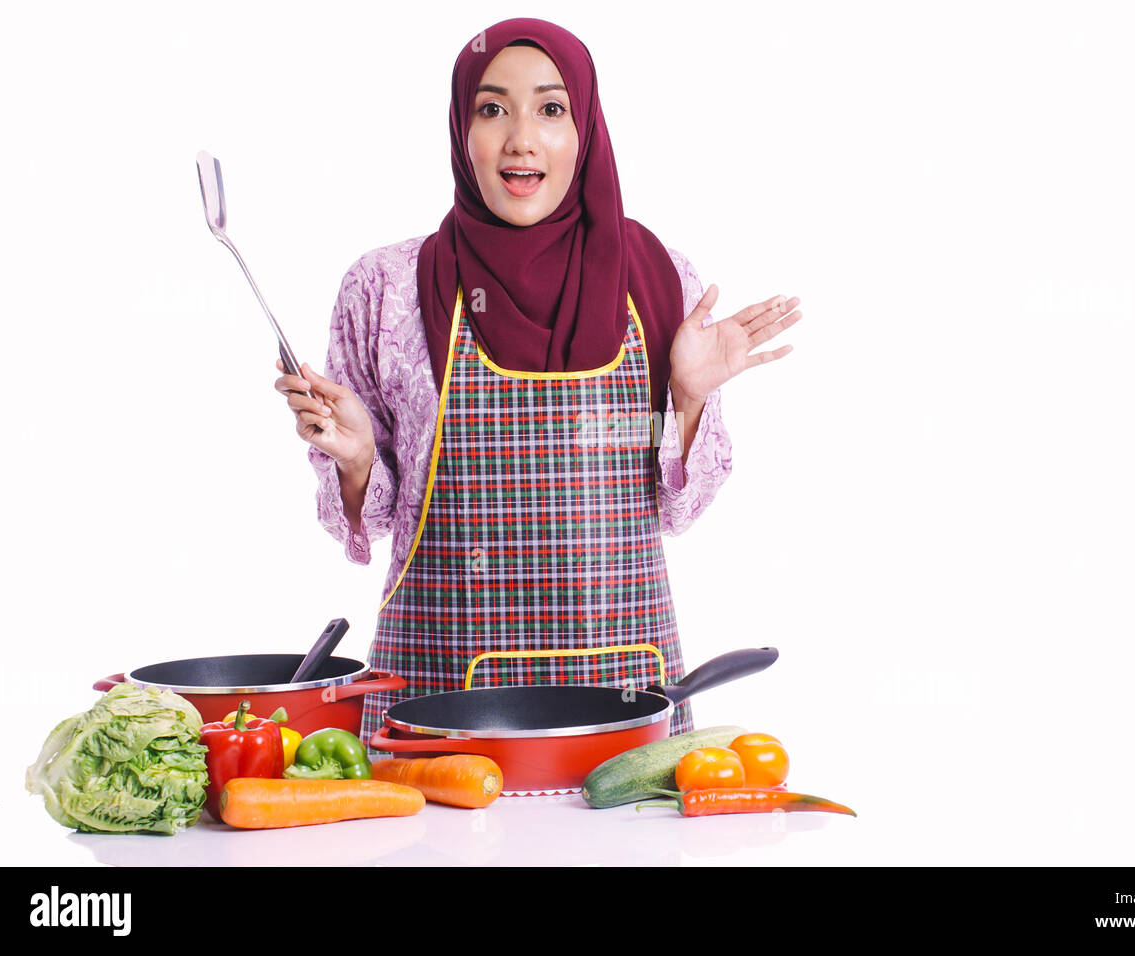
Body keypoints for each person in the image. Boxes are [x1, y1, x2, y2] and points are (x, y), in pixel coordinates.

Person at [274, 18, 802, 748]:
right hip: (439, 698)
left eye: (551, 109)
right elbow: (371, 524)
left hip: (624, 695)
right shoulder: (387, 288)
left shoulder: (655, 279)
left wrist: (686, 398)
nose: (521, 138)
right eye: (493, 109)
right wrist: (359, 460)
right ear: (462, 129)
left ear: (585, 128)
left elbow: (680, 508)